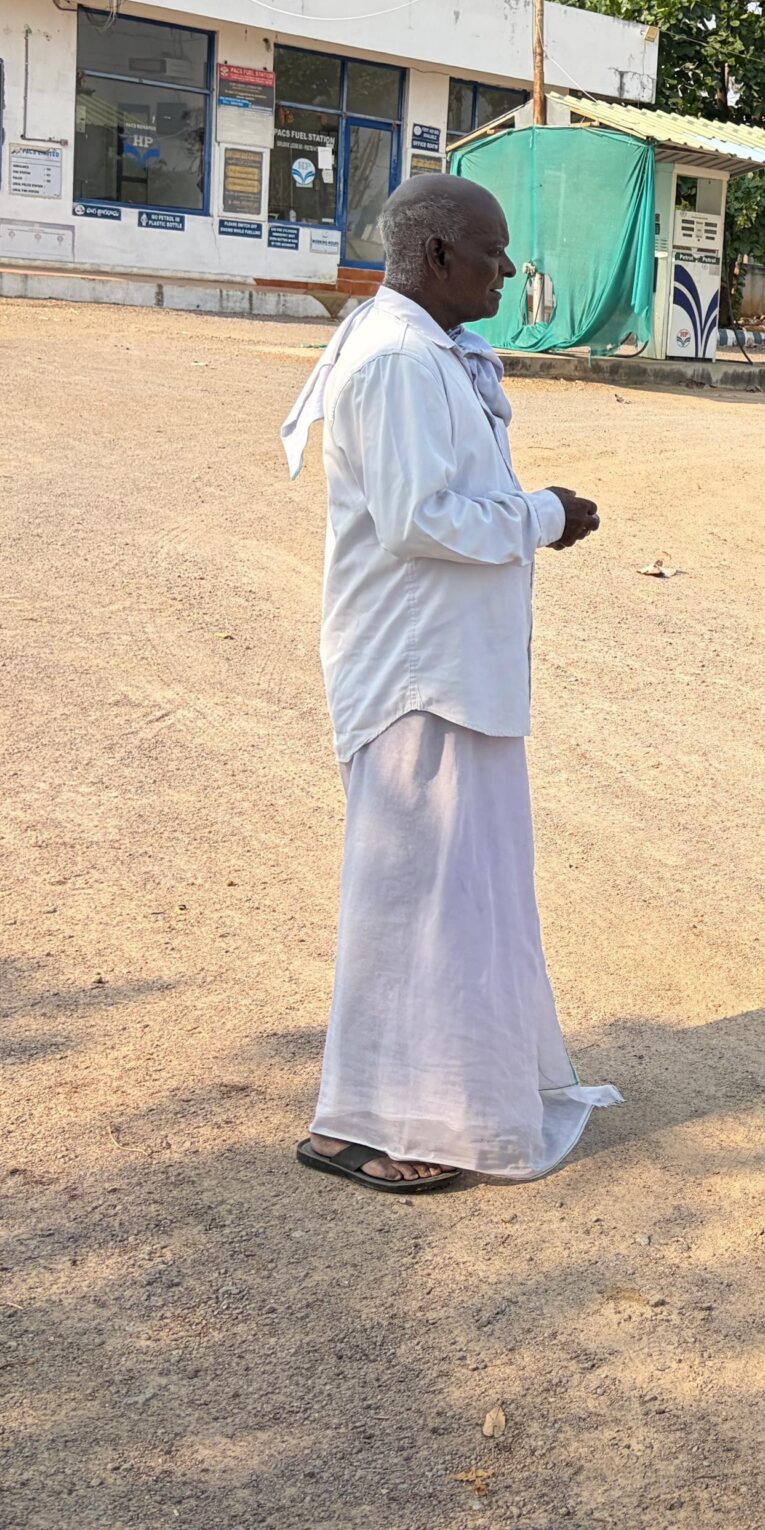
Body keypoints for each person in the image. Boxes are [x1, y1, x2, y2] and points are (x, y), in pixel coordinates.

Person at [278, 173, 618, 1193]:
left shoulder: (425, 351)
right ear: (433, 258)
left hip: (449, 667)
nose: (509, 272)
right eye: (492, 255)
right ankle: (368, 1121)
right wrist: (544, 514)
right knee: (410, 898)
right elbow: (418, 519)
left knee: (457, 898)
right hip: (415, 672)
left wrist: (525, 511)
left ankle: (443, 1100)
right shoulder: (392, 362)